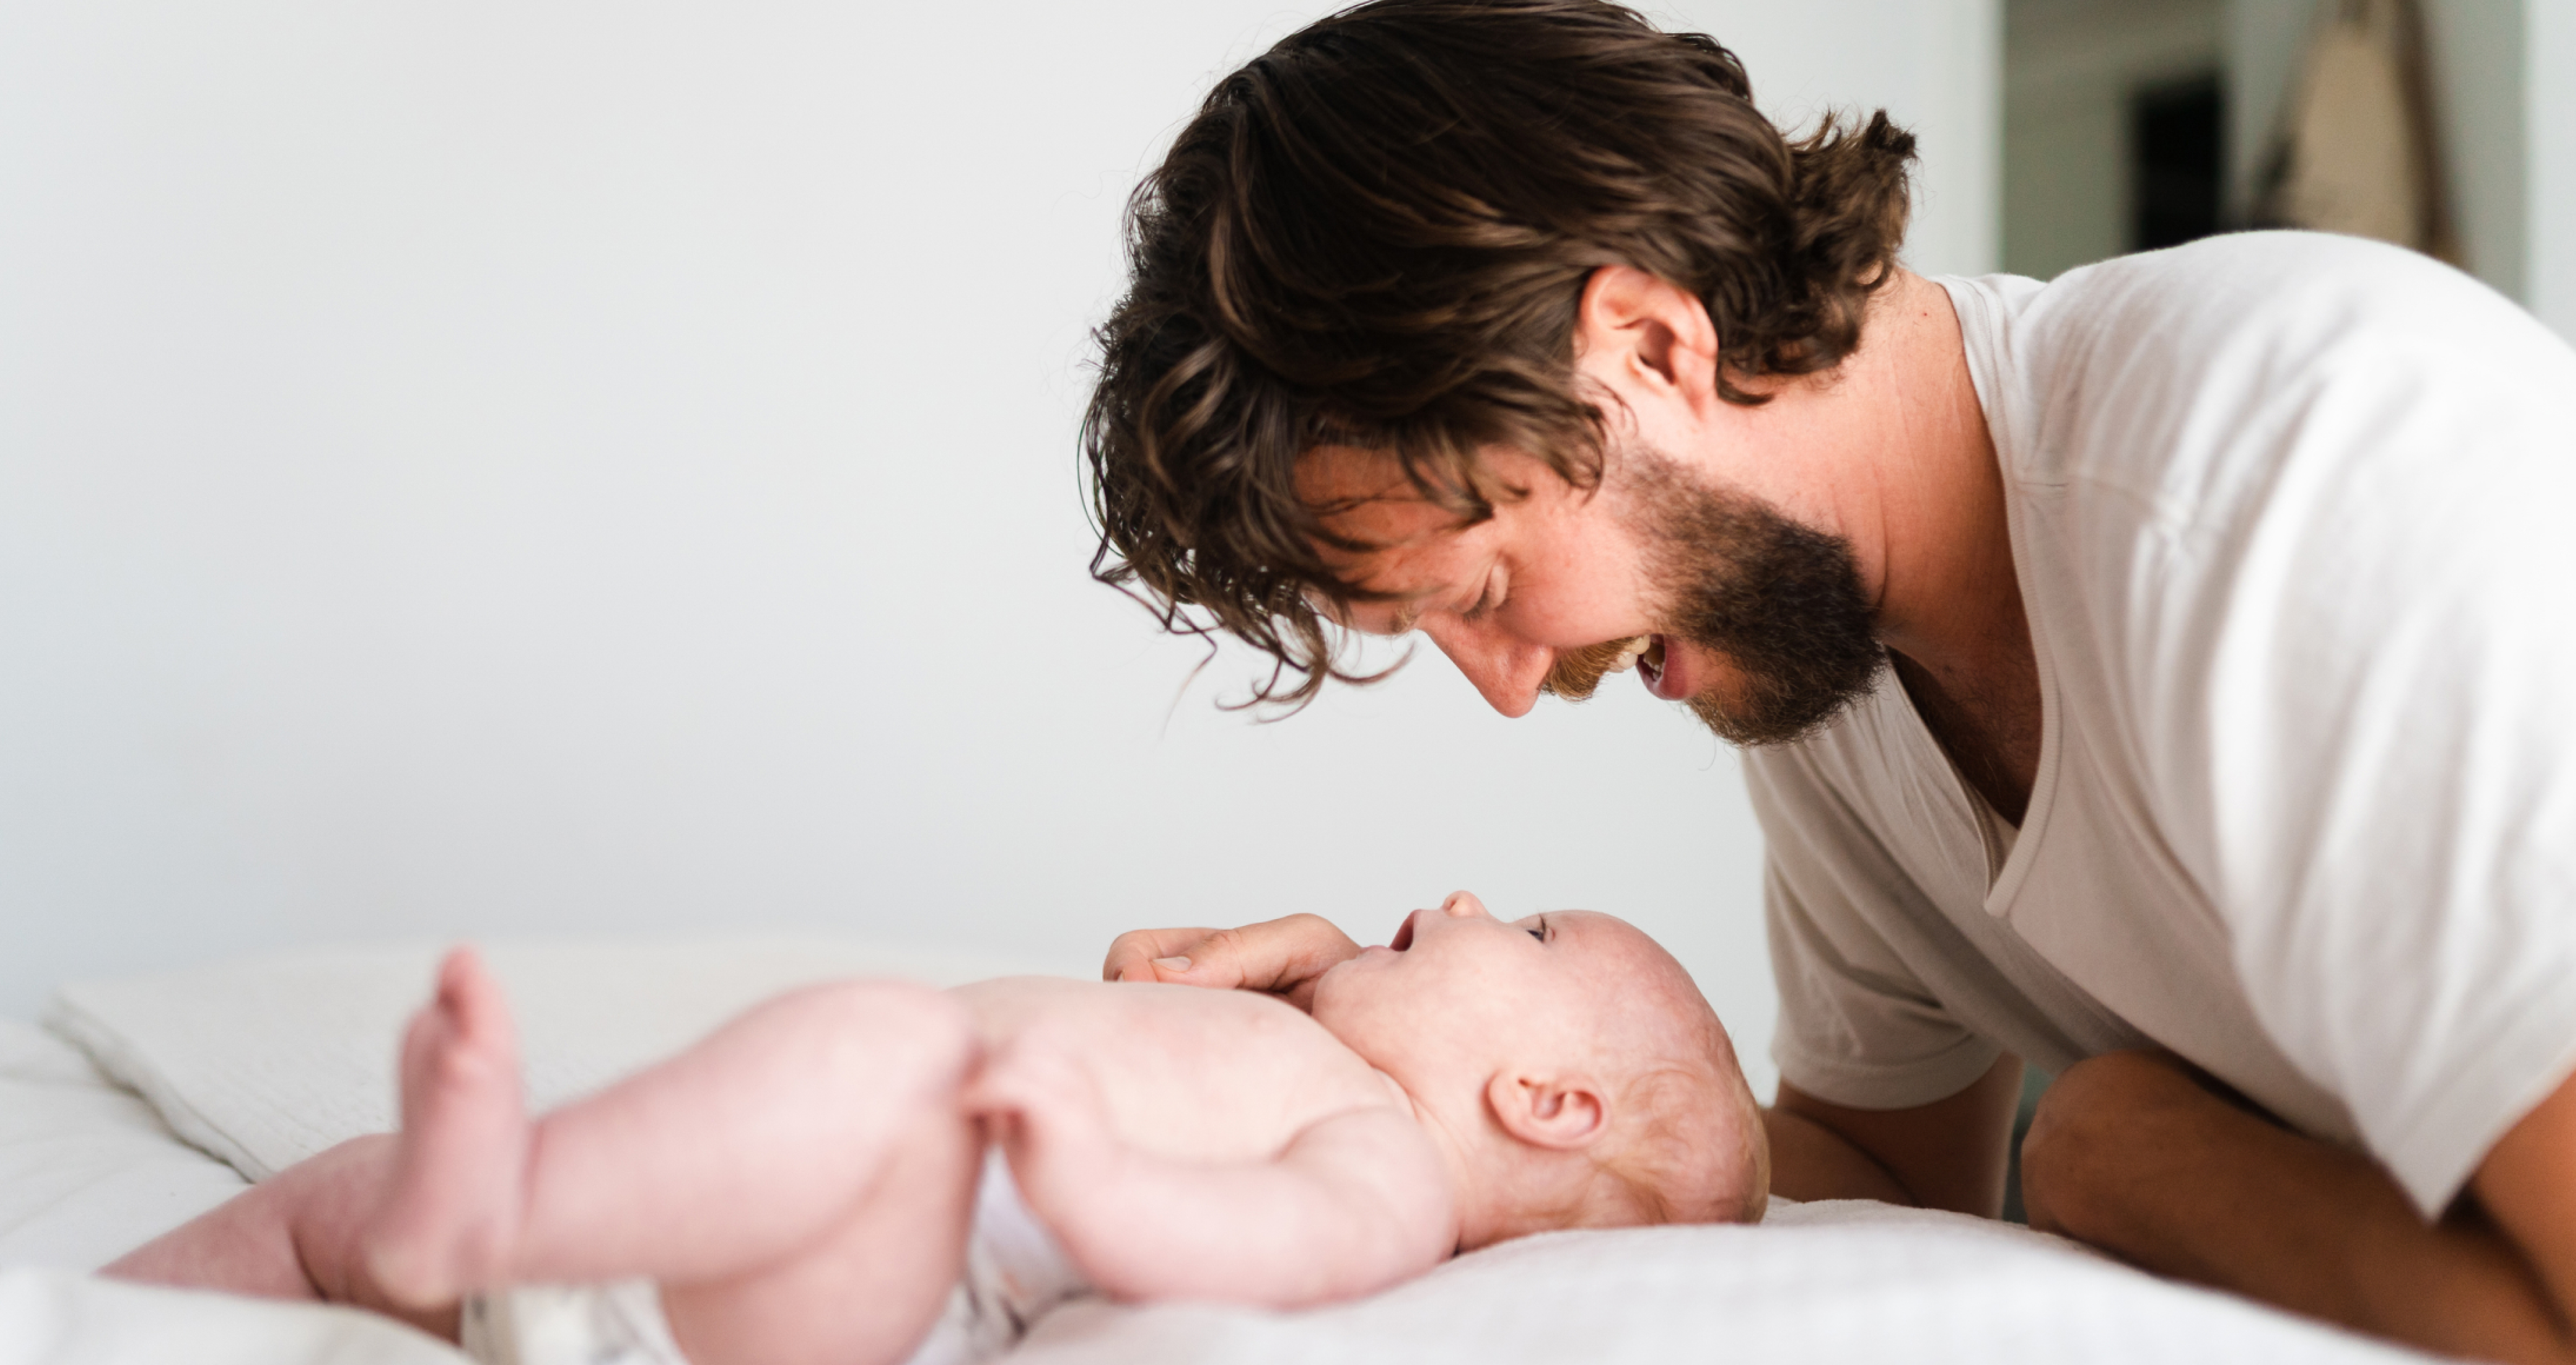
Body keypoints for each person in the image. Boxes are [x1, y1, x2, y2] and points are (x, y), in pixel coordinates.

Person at [1080, 0, 2576, 1359]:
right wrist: (1385, 1062)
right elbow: (1862, 1183)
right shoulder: (1829, 661)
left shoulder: (2292, 491)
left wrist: (2115, 1153)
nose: (1515, 688)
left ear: (1654, 348)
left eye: (1484, 587)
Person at [101, 893, 1767, 1365]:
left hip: (836, 1293)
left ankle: (491, 1214)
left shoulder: (1387, 1163)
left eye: (1529, 935)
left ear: (1543, 1104)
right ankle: (93, 1307)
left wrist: (1092, 1177)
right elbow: (1148, 975)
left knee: (891, 1047)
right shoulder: (1298, 1027)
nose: (1457, 896)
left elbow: (1270, 1247)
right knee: (324, 1202)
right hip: (708, 1225)